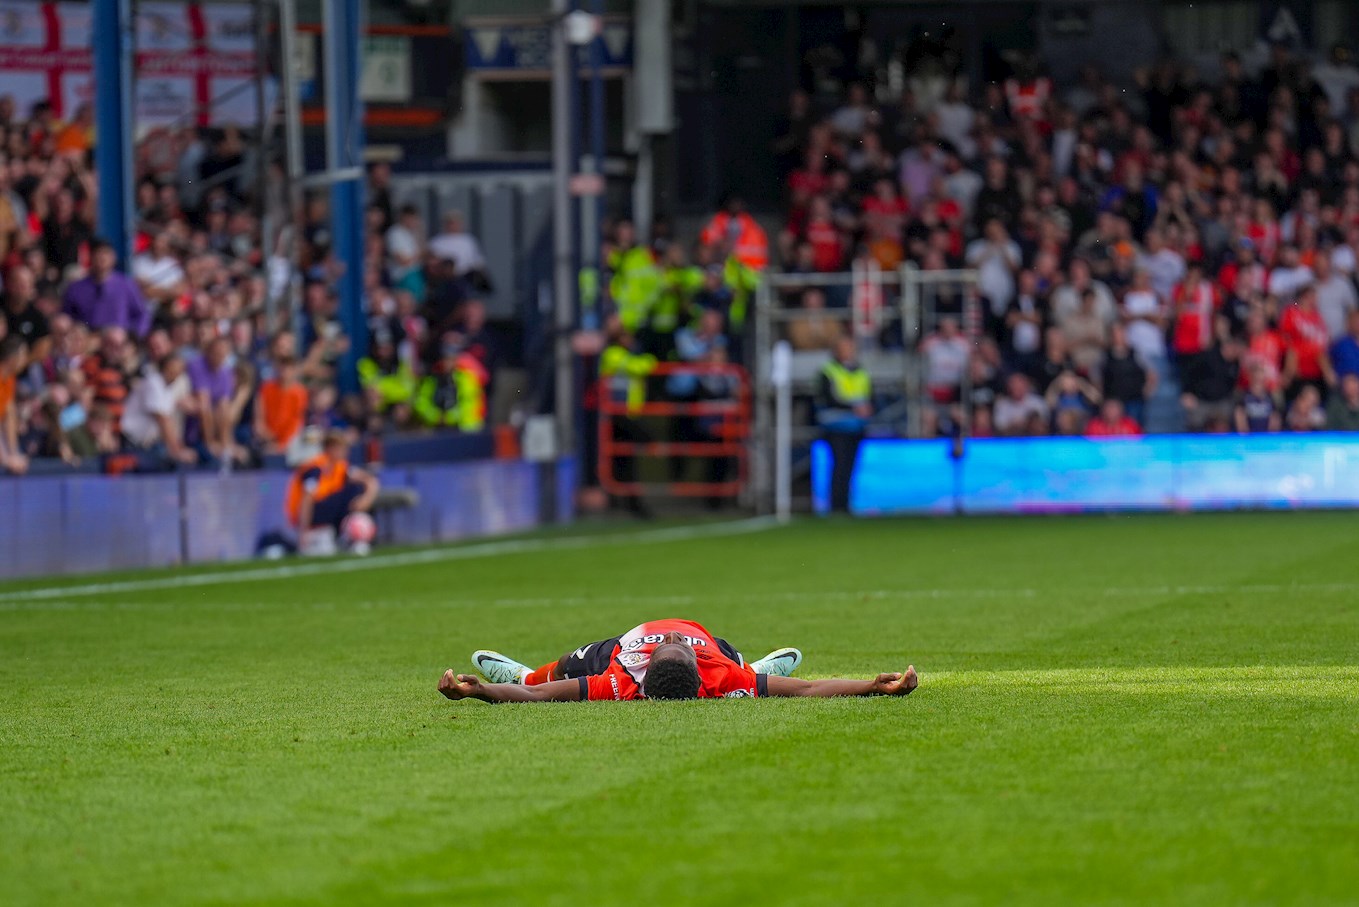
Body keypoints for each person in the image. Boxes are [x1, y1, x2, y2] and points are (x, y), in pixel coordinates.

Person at [448, 618, 918, 703]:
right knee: (744, 676)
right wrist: (874, 685)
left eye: (666, 644)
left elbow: (537, 695)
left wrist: (484, 690)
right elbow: (813, 688)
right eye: (674, 642)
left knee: (553, 672)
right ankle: (758, 671)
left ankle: (519, 666)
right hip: (723, 650)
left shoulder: (619, 680)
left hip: (614, 645)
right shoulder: (719, 674)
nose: (669, 635)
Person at [285, 429, 379, 552]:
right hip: (309, 514)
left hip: (325, 510)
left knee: (357, 489)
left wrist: (366, 499)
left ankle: (354, 537)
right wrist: (304, 532)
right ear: (330, 448)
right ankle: (350, 538)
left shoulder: (340, 467)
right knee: (352, 491)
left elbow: (370, 481)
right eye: (341, 448)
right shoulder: (315, 468)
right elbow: (306, 500)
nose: (345, 452)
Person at [816, 336, 872, 513]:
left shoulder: (861, 371)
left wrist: (866, 408)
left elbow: (869, 395)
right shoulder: (828, 371)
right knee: (839, 466)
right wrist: (854, 407)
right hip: (836, 426)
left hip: (856, 427)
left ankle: (846, 505)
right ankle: (836, 505)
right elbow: (828, 398)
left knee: (850, 467)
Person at [62, 238, 151, 337]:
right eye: (97, 254)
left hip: (118, 339)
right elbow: (66, 316)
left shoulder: (126, 285)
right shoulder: (76, 288)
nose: (102, 258)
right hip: (87, 340)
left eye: (106, 253)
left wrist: (134, 336)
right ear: (91, 257)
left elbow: (141, 315)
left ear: (113, 257)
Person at [0, 336, 28, 474]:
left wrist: (14, 452)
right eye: (23, 356)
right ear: (12, 358)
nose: (25, 361)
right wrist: (5, 458)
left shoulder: (10, 379)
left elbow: (9, 415)